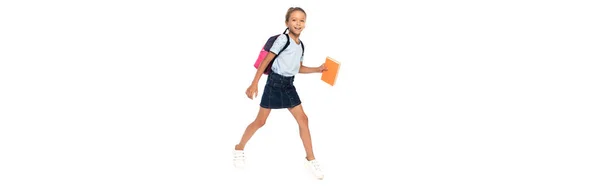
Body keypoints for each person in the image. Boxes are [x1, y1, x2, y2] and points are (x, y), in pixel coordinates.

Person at [232, 7, 326, 180]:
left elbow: (296, 68)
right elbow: (266, 61)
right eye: (294, 20)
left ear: (305, 24)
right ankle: (239, 148)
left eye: (301, 20)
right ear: (287, 23)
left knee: (303, 119)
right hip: (274, 84)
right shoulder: (283, 39)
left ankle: (310, 159)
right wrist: (254, 84)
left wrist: (317, 70)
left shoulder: (301, 45)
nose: (298, 23)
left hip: (289, 85)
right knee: (260, 122)